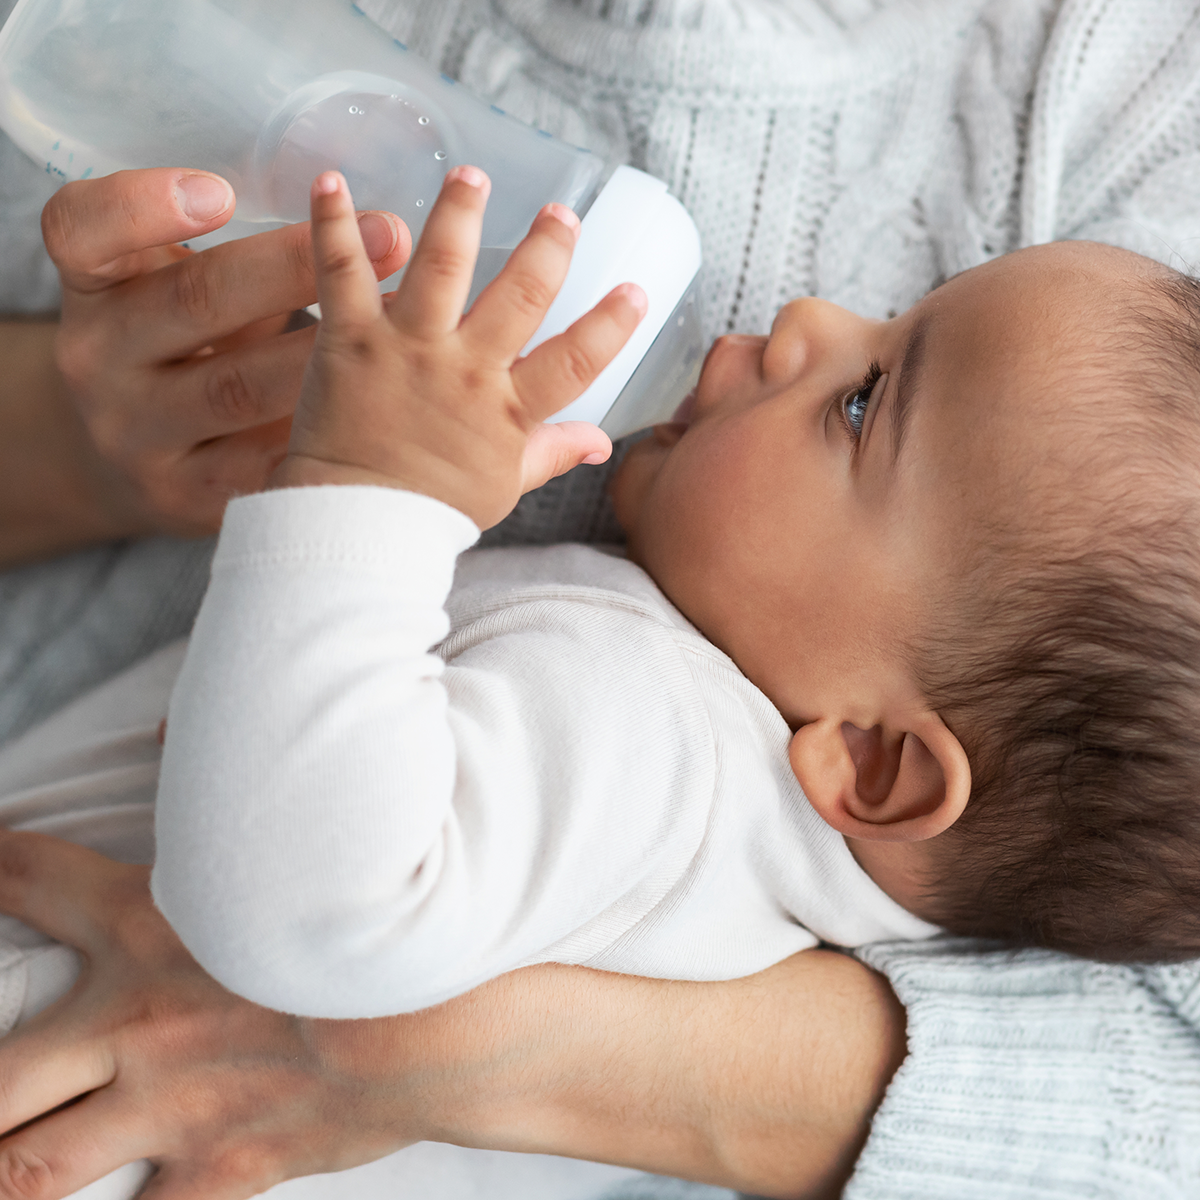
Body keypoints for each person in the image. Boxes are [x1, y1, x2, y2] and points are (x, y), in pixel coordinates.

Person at [0, 0, 1198, 1196]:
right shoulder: (742, 851)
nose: (806, 323)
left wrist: (367, 493)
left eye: (861, 401)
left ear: (878, 762)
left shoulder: (645, 728)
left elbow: (303, 917)